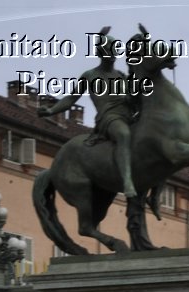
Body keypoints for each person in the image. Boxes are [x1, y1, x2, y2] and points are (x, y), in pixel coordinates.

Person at [36, 26, 141, 198]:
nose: (114, 55)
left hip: (128, 115)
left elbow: (133, 97)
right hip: (109, 118)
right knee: (123, 135)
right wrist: (50, 110)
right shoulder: (90, 76)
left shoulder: (121, 76)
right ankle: (127, 181)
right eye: (110, 50)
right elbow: (71, 99)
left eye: (116, 51)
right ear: (101, 52)